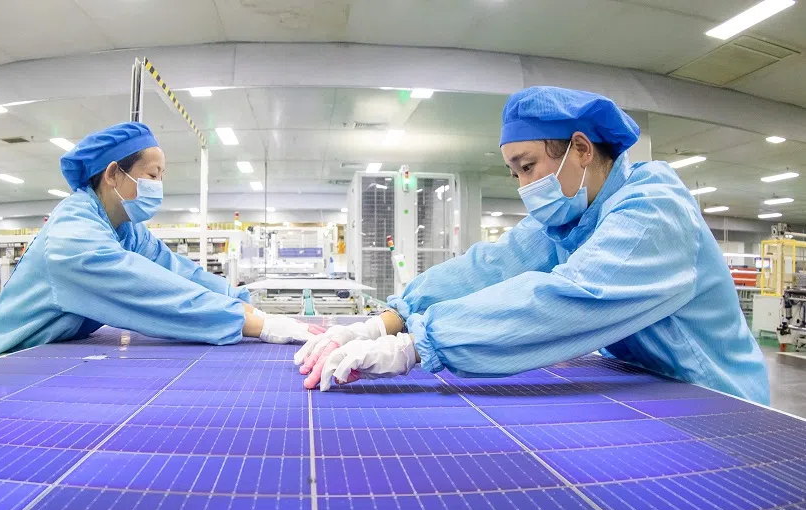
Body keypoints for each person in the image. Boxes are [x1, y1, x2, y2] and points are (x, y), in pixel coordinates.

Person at [297, 86, 769, 402]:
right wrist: (383, 323)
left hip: (713, 397)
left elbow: (572, 296)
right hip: (650, 386)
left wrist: (418, 344)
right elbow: (492, 266)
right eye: (514, 173)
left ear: (582, 149)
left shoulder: (654, 209)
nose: (523, 185)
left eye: (527, 166)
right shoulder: (574, 216)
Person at [0, 122, 320, 364]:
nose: (158, 186)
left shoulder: (124, 227)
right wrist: (254, 324)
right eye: (152, 175)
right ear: (112, 174)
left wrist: (244, 303)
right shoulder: (72, 238)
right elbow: (150, 290)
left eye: (161, 177)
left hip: (46, 358)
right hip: (4, 367)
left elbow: (178, 272)